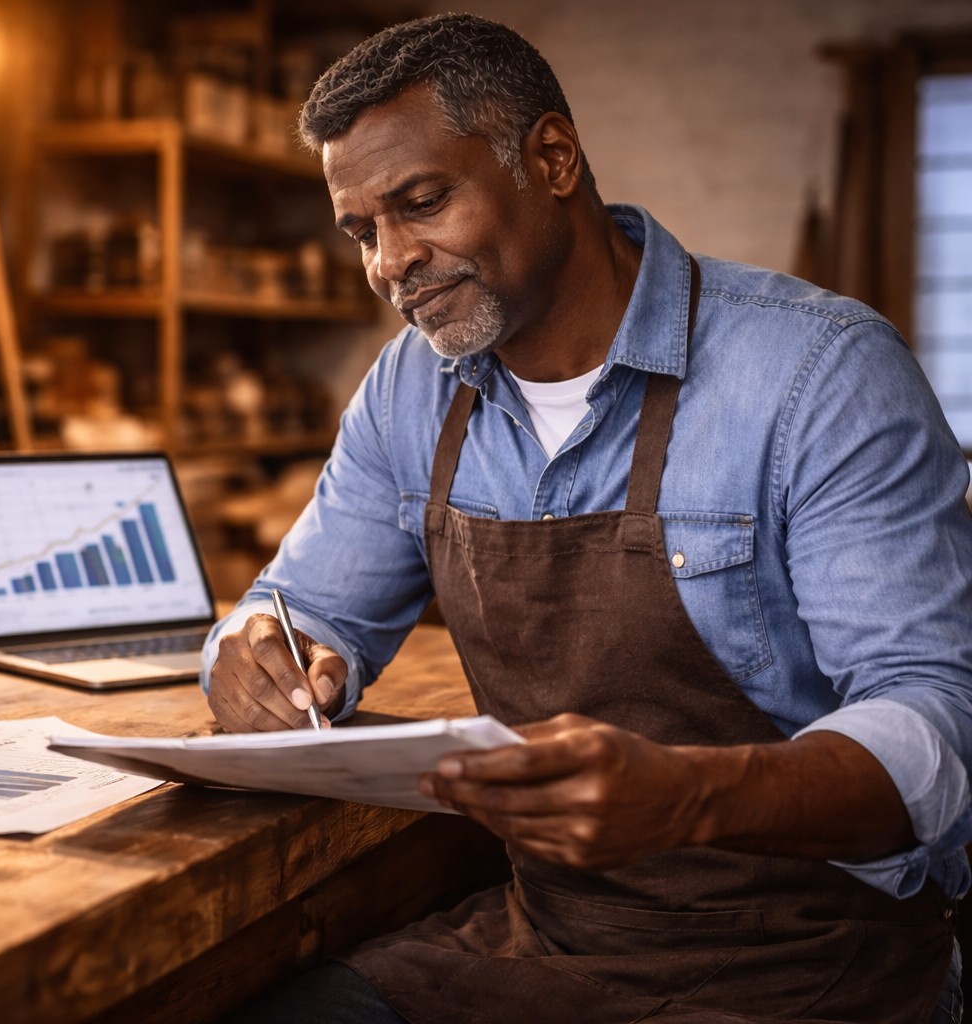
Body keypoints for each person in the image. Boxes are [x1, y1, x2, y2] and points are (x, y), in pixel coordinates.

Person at [202, 12, 972, 1024]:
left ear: (551, 158)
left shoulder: (820, 373)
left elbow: (940, 729)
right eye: (363, 231)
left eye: (422, 203)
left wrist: (691, 796)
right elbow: (295, 609)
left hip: (812, 969)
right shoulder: (409, 392)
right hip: (553, 938)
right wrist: (252, 655)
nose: (391, 263)